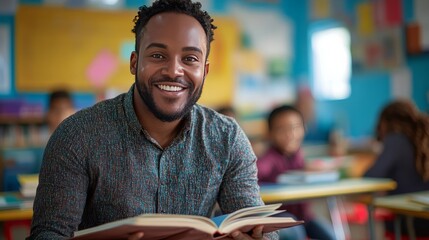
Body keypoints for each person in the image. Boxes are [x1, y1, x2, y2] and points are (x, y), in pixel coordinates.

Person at [27, 1, 278, 239]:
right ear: (134, 63)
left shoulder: (227, 138)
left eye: (190, 59)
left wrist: (258, 236)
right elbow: (48, 234)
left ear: (205, 70)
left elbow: (258, 225)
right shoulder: (78, 135)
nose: (173, 71)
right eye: (158, 55)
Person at [257, 105, 335, 240]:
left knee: (330, 234)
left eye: (295, 127)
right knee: (296, 231)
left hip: (304, 218)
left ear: (304, 129)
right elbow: (253, 178)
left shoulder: (298, 156)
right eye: (282, 129)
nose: (290, 134)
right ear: (269, 134)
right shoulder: (268, 160)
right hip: (275, 217)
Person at [364, 99, 429, 237]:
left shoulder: (396, 141)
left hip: (408, 223)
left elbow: (369, 178)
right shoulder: (423, 138)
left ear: (386, 124)